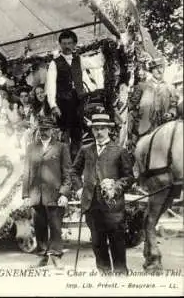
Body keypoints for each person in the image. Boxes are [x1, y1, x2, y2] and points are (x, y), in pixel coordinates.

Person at [71, 113, 134, 274]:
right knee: (98, 243)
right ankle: (104, 274)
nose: (99, 132)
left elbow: (129, 177)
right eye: (96, 129)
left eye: (102, 129)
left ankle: (121, 276)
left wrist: (116, 186)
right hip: (92, 205)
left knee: (117, 243)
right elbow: (73, 172)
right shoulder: (86, 150)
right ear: (92, 130)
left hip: (113, 208)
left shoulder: (119, 151)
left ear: (109, 130)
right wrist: (79, 189)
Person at [22, 116, 71, 268]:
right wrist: (25, 195)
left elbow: (67, 172)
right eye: (41, 129)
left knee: (55, 226)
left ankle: (56, 256)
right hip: (37, 195)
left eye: (47, 129)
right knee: (39, 226)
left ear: (53, 131)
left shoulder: (61, 147)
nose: (44, 132)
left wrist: (64, 193)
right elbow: (27, 172)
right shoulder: (31, 147)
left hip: (55, 195)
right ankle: (42, 256)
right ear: (38, 130)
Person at [45, 30, 102, 160]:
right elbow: (51, 86)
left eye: (69, 43)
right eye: (64, 43)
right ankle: (65, 163)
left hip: (78, 103)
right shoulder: (55, 63)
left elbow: (97, 63)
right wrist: (53, 105)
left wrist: (108, 49)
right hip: (63, 104)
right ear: (60, 45)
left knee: (77, 134)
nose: (67, 46)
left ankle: (77, 163)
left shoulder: (79, 60)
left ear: (75, 44)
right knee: (65, 135)